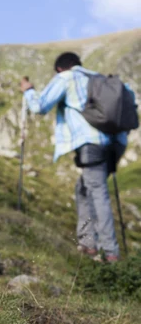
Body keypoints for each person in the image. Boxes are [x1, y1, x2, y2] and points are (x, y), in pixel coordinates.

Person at [20, 52, 134, 263]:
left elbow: (39, 106)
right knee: (84, 188)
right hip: (115, 144)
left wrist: (29, 91)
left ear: (60, 69)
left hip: (91, 144)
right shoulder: (100, 79)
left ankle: (110, 253)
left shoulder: (67, 77)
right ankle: (88, 243)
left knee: (97, 192)